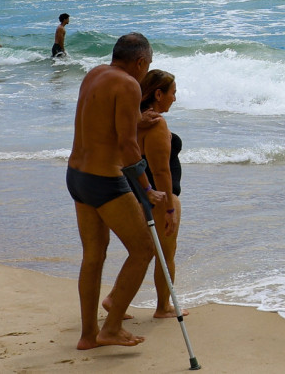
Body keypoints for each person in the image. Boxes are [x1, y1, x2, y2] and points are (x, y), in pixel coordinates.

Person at [66, 32, 167, 350]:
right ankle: (110, 327)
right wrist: (147, 188)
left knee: (93, 257)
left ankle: (87, 336)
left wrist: (137, 119)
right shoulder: (129, 84)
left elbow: (100, 122)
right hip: (104, 181)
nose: (146, 69)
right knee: (143, 250)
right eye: (147, 64)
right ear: (140, 62)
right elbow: (126, 147)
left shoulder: (95, 74)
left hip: (76, 176)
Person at [137, 69, 185, 318]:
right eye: (172, 93)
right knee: (165, 255)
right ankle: (163, 307)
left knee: (144, 252)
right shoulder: (155, 123)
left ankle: (115, 299)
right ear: (158, 93)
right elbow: (162, 170)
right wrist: (168, 207)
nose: (174, 98)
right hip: (161, 197)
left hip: (143, 194)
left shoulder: (136, 120)